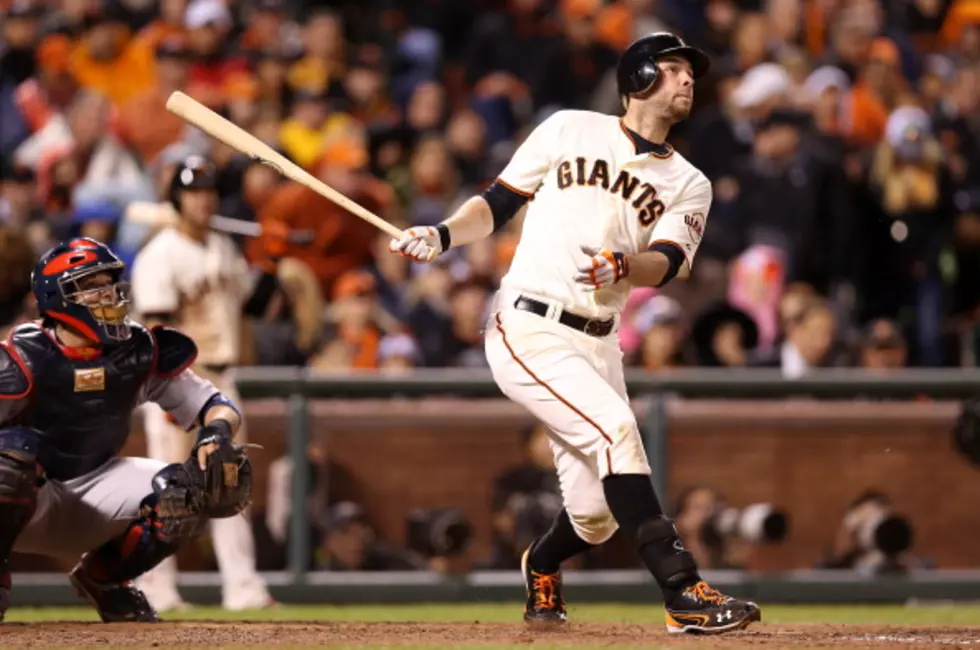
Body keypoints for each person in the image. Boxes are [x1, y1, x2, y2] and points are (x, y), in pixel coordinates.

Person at [389, 32, 761, 635]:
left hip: (599, 337)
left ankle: (541, 562)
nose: (688, 79)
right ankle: (680, 590)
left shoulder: (691, 182)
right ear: (638, 77)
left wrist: (623, 265)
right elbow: (498, 202)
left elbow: (665, 262)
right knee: (618, 430)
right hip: (528, 324)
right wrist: (442, 234)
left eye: (690, 72)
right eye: (671, 69)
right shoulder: (568, 129)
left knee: (594, 517)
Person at [0, 237, 253, 622]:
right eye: (91, 285)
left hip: (96, 490)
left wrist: (215, 434)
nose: (108, 295)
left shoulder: (135, 350)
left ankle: (105, 579)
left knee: (188, 490)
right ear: (58, 297)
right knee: (10, 456)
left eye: (109, 283)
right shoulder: (21, 356)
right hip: (30, 496)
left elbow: (216, 405)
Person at [130, 156, 273, 611]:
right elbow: (156, 333)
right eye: (194, 191)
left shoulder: (224, 248)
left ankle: (243, 587)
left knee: (229, 484)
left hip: (223, 377)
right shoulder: (161, 253)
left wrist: (273, 263)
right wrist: (177, 393)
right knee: (169, 489)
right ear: (178, 199)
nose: (204, 199)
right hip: (179, 382)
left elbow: (252, 309)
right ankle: (156, 587)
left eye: (209, 191)